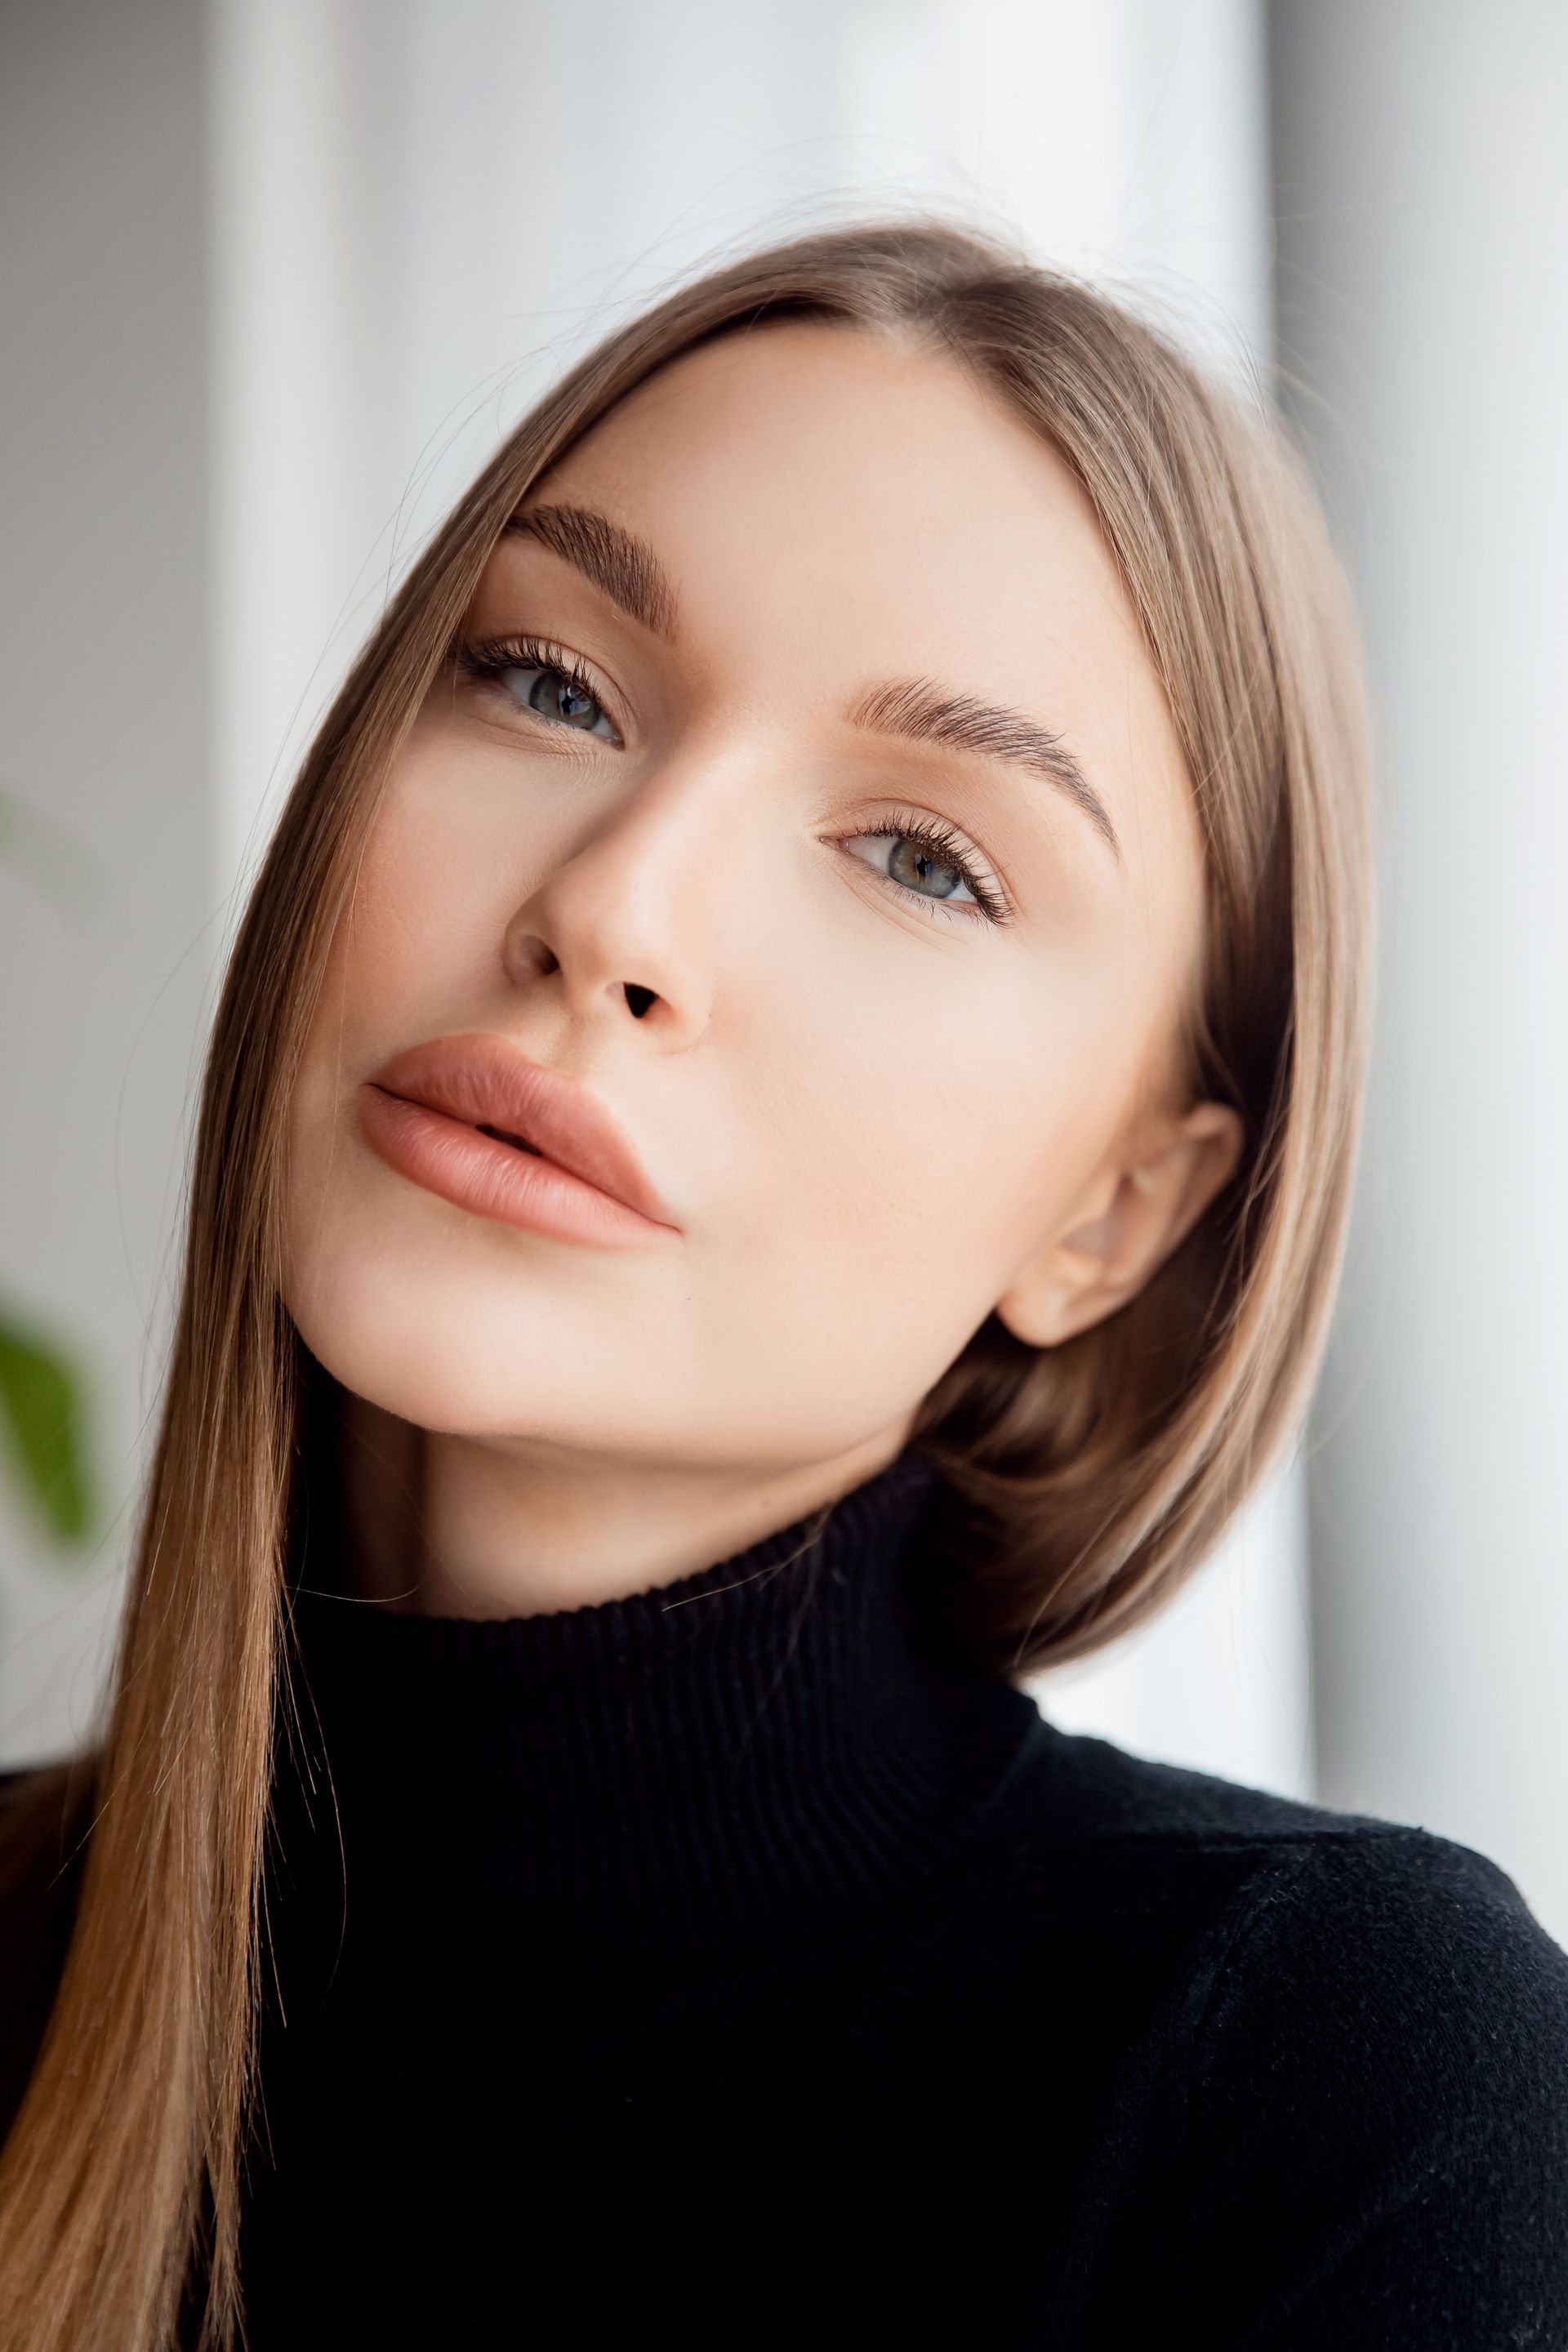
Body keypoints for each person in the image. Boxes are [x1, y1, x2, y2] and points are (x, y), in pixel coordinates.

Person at [2, 220, 1564, 2351]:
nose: (614, 906)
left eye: (927, 858)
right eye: (549, 683)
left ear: (1116, 1213)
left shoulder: (1330, 2085)